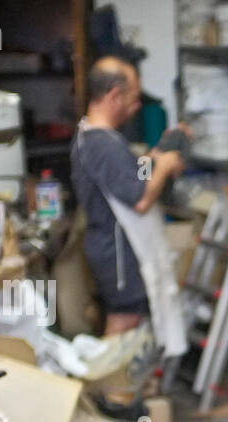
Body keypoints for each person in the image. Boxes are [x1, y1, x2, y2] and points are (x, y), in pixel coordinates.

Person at [71, 56, 187, 338]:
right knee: (124, 322)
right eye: (134, 99)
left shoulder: (97, 137)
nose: (137, 107)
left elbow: (127, 176)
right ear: (114, 96)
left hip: (113, 248)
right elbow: (140, 199)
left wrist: (156, 154)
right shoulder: (103, 145)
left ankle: (127, 379)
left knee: (129, 321)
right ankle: (111, 382)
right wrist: (165, 167)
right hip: (118, 254)